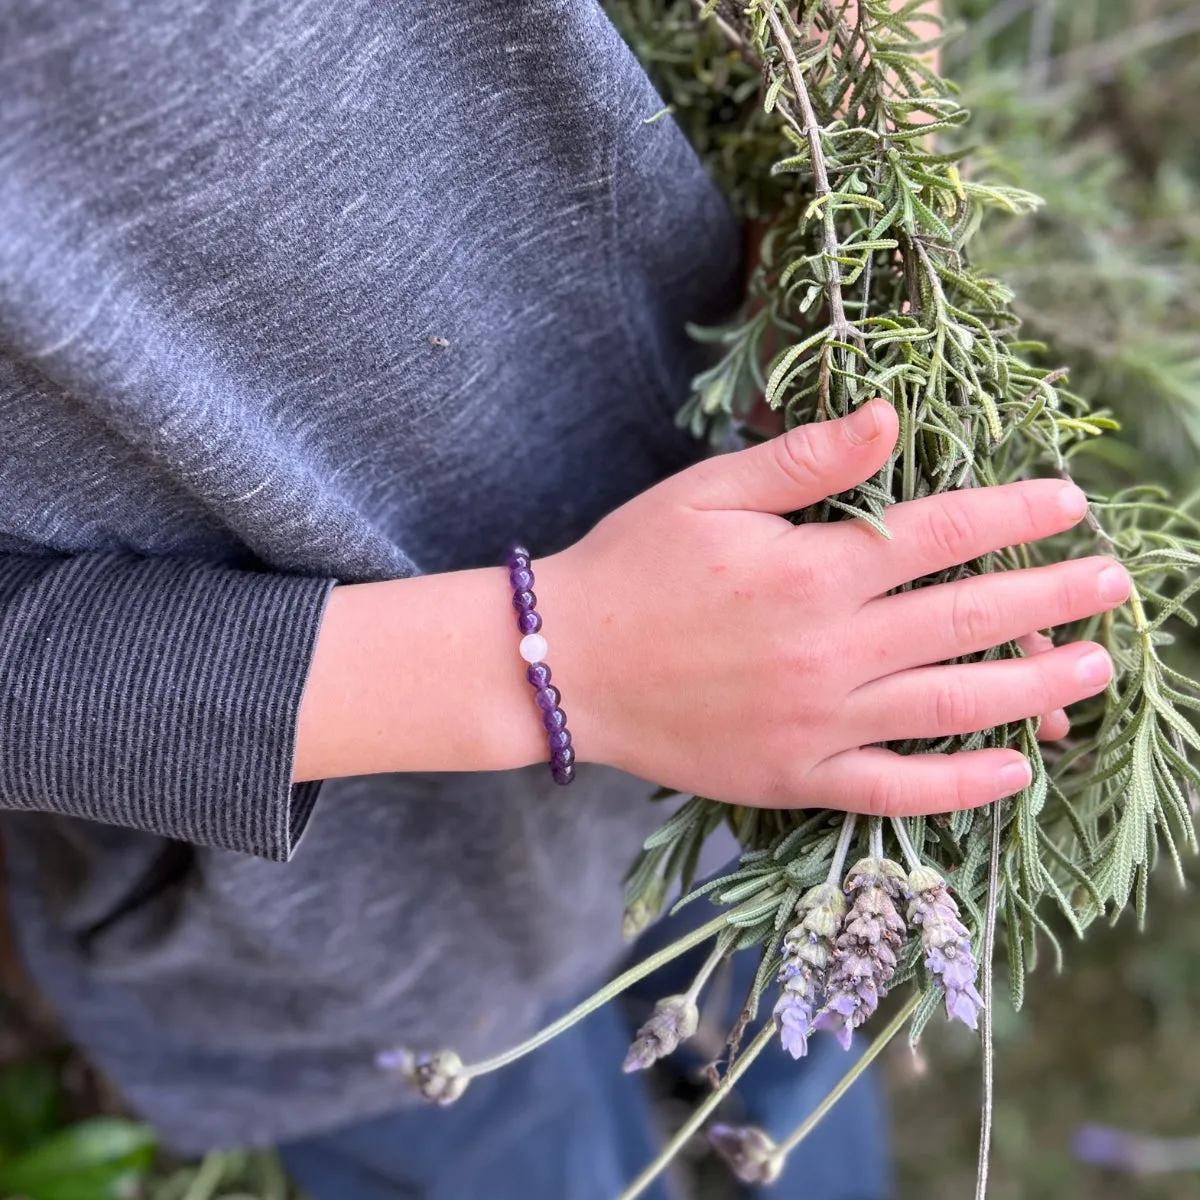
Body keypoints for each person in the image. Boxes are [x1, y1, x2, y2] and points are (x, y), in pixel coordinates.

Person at [0, 2, 1129, 1197]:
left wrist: (858, 223)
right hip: (345, 910)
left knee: (793, 1052)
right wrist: (552, 661)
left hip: (756, 604)